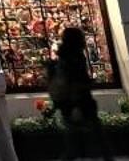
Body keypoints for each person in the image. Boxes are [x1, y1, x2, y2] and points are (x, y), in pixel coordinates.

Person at [45, 27, 111, 161]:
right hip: (79, 103)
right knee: (95, 139)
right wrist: (76, 105)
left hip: (70, 105)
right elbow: (74, 81)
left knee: (75, 144)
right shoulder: (74, 58)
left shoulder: (65, 56)